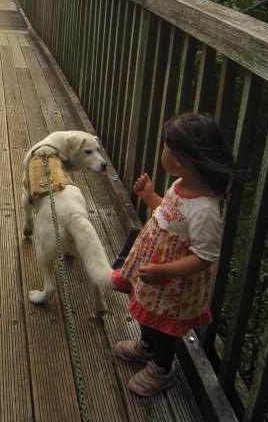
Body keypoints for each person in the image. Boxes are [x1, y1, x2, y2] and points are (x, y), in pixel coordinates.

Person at [111, 112, 237, 397]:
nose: (162, 152)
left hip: (173, 283)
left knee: (163, 325)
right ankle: (147, 347)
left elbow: (205, 256)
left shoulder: (205, 209)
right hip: (154, 271)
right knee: (146, 311)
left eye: (166, 147)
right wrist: (150, 197)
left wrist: (164, 272)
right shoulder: (180, 186)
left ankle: (163, 367)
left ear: (180, 159)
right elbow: (169, 216)